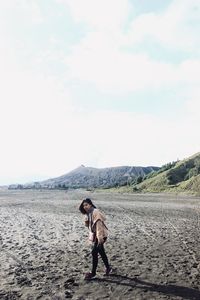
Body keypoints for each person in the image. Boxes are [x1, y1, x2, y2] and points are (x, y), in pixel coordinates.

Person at [79, 198, 112, 280]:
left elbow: (99, 225)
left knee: (94, 252)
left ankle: (93, 273)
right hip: (97, 235)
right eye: (84, 205)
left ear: (90, 204)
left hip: (101, 235)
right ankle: (108, 268)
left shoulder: (95, 212)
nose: (85, 207)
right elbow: (88, 225)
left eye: (86, 205)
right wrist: (86, 219)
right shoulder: (89, 213)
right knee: (101, 252)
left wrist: (99, 237)